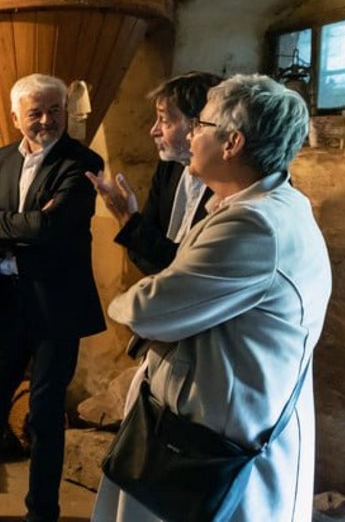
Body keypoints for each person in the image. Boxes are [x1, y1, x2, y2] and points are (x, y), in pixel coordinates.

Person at [93, 74, 331, 521]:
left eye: (200, 124)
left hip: (213, 447)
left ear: (232, 143)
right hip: (206, 429)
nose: (192, 135)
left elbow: (148, 309)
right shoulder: (255, 206)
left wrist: (125, 303)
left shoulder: (253, 226)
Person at [0, 73, 106, 522]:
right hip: (10, 303)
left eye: (54, 110)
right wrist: (21, 222)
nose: (46, 120)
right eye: (34, 112)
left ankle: (43, 512)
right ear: (16, 117)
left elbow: (51, 227)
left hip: (57, 308)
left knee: (46, 413)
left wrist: (1, 219)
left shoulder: (82, 162)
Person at [87, 71, 222, 275]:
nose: (153, 131)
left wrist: (131, 222)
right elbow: (148, 257)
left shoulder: (232, 182)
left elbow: (193, 270)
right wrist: (129, 220)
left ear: (199, 124)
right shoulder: (170, 165)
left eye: (165, 120)